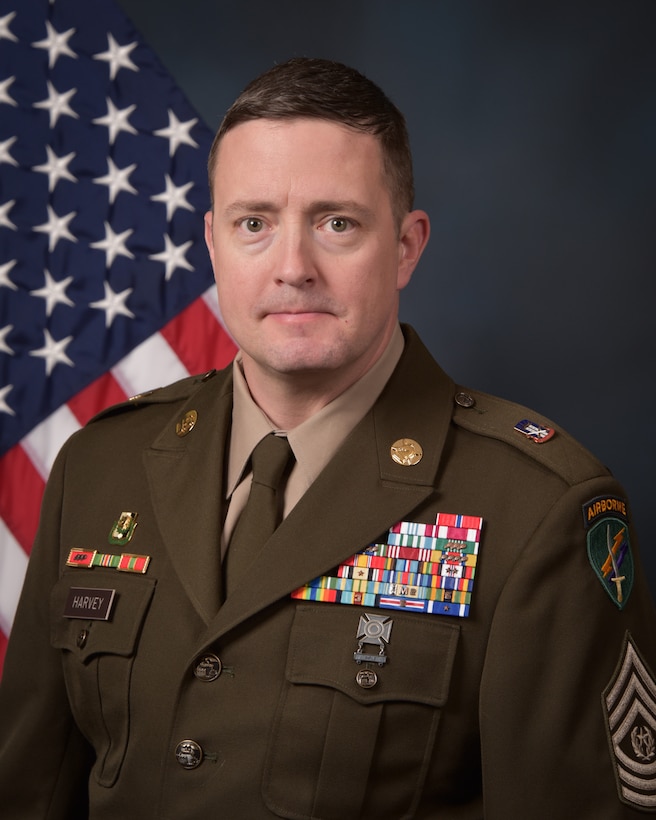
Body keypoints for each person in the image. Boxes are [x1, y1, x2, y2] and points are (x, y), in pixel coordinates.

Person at [0, 57, 655, 820]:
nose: (292, 268)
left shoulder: (539, 508)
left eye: (336, 223)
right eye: (255, 224)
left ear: (407, 246)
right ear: (212, 245)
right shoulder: (98, 465)